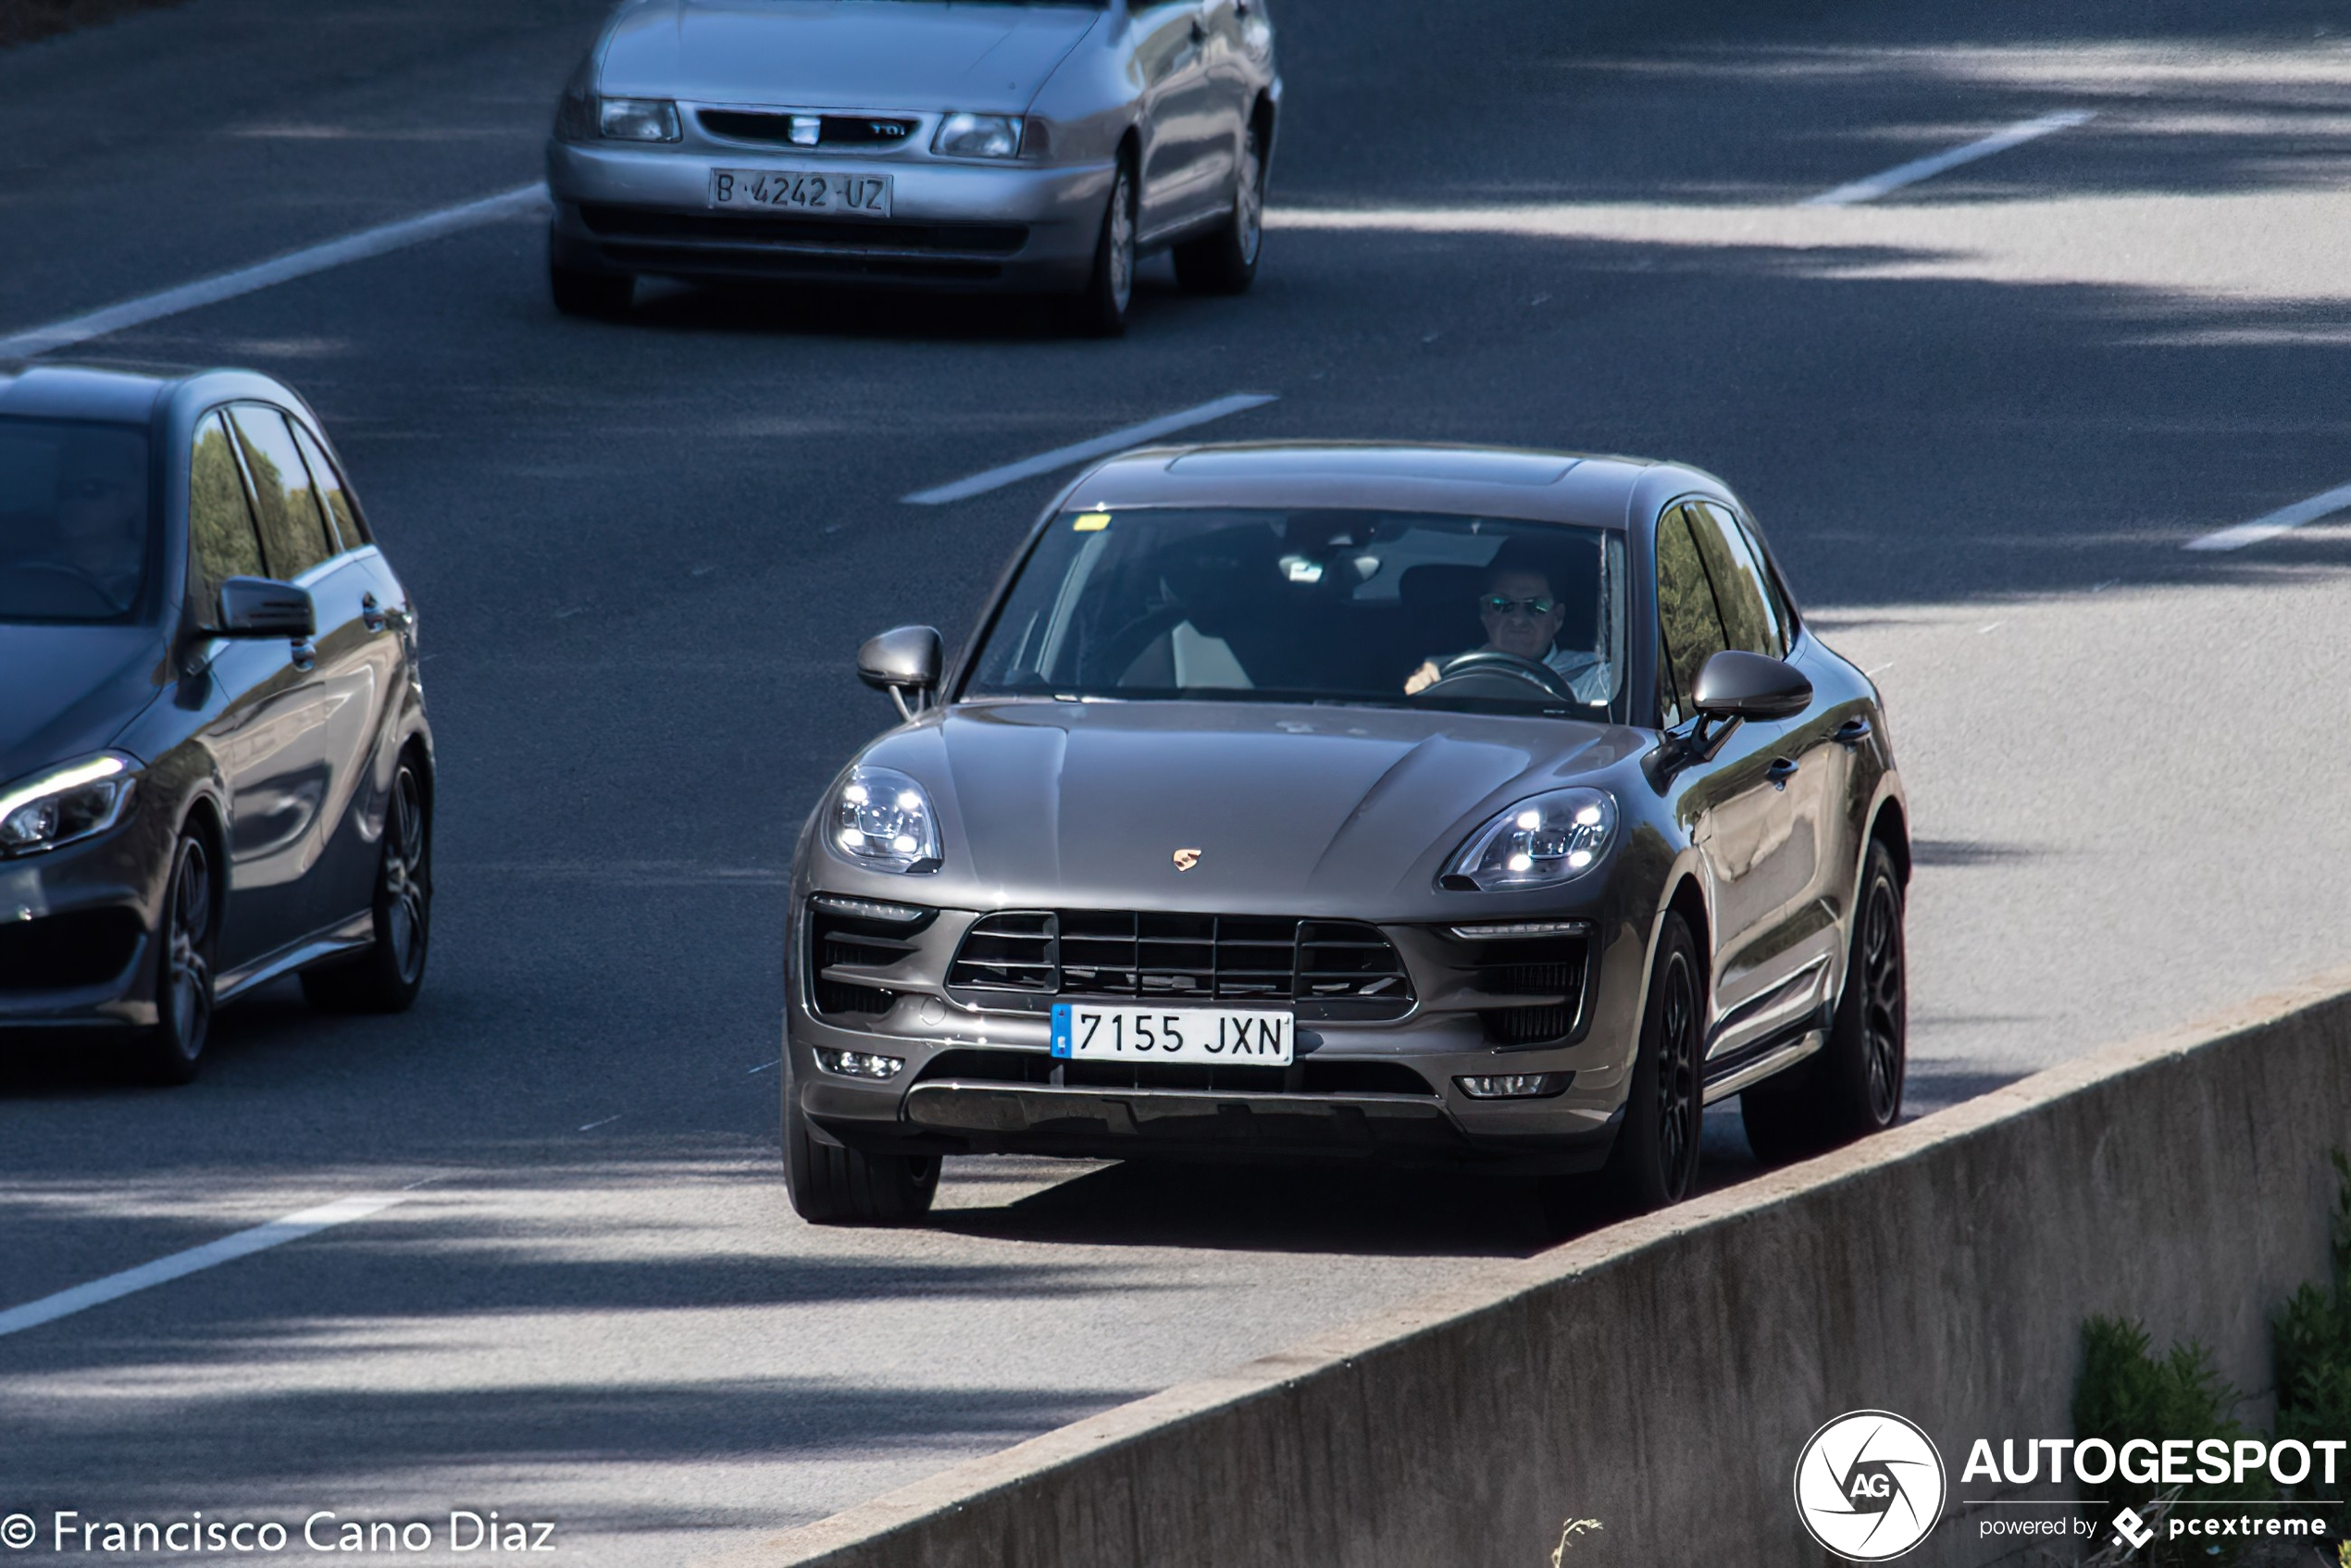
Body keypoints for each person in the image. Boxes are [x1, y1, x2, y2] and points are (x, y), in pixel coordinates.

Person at [1403, 554, 1609, 702]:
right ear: (1484, 614)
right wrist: (1423, 688)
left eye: (1536, 606)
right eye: (1500, 605)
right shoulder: (1447, 672)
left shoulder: (1593, 677)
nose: (1518, 619)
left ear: (1557, 617)